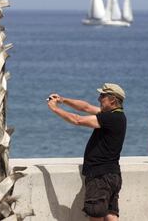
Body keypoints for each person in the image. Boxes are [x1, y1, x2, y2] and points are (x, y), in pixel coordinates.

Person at [47, 83, 127, 221]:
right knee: (111, 217)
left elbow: (77, 120)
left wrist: (55, 109)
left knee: (95, 216)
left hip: (100, 177)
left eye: (102, 96)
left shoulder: (110, 118)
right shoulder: (118, 116)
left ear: (112, 99)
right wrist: (63, 100)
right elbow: (85, 107)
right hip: (113, 175)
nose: (98, 98)